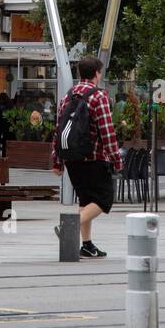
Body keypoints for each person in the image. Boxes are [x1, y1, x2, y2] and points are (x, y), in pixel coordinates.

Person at [51, 56, 121, 258]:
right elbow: (107, 132)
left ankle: (87, 245)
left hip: (72, 158)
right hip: (94, 158)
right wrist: (117, 160)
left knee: (86, 199)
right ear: (97, 73)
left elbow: (59, 129)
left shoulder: (68, 96)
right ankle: (66, 228)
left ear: (80, 73)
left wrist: (57, 161)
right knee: (104, 199)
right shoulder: (99, 97)